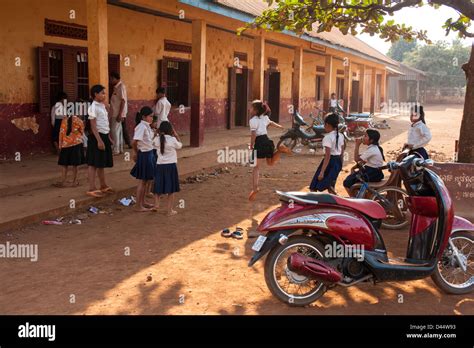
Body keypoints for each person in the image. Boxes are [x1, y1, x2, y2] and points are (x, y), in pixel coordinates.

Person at [248, 100, 291, 201]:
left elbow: (253, 134)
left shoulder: (253, 120)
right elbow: (271, 123)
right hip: (267, 141)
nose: (249, 109)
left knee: (256, 167)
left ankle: (255, 188)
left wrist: (251, 145)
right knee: (270, 162)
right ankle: (280, 150)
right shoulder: (265, 118)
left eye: (251, 108)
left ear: (256, 110)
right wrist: (279, 126)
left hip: (259, 142)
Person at [86, 85, 114, 198]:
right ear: (95, 94)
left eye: (104, 93)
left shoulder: (102, 106)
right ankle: (91, 188)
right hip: (96, 137)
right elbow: (93, 125)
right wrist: (99, 140)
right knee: (93, 163)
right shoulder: (92, 107)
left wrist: (108, 137)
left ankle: (103, 185)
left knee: (100, 163)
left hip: (104, 135)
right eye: (102, 93)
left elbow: (105, 121)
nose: (104, 95)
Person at [309, 113, 345, 193]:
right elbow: (342, 152)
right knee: (331, 186)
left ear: (327, 124)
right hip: (338, 162)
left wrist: (322, 172)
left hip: (329, 162)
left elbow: (327, 156)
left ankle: (315, 204)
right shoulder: (341, 135)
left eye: (324, 124)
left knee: (314, 186)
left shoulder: (327, 137)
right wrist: (341, 165)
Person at [152, 121, 182, 216]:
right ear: (171, 130)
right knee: (171, 189)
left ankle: (156, 205)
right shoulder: (172, 140)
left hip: (160, 165)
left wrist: (155, 133)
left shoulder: (157, 139)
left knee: (158, 186)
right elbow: (180, 145)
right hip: (171, 166)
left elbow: (151, 142)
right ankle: (169, 211)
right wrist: (176, 135)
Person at [343, 129, 385, 196]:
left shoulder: (372, 149)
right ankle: (357, 196)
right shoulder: (373, 148)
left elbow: (356, 159)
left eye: (365, 136)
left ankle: (354, 200)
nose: (363, 137)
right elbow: (361, 159)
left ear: (371, 140)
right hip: (373, 172)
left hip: (372, 173)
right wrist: (354, 168)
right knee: (352, 178)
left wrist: (357, 145)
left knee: (347, 182)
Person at [130, 106, 156, 212]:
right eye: (150, 116)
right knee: (142, 181)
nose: (152, 118)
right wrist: (135, 152)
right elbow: (134, 142)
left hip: (148, 154)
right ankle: (138, 205)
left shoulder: (147, 126)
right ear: (144, 117)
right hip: (144, 154)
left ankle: (142, 202)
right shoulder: (141, 127)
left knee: (145, 180)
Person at [55, 111, 85, 187]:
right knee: (75, 164)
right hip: (76, 144)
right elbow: (82, 132)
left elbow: (60, 133)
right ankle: (74, 182)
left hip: (65, 144)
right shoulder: (79, 121)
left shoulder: (64, 120)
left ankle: (63, 181)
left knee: (64, 164)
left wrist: (60, 146)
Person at [109, 72, 128, 155]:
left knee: (114, 131)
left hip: (117, 113)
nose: (110, 80)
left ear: (116, 79)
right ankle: (119, 148)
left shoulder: (121, 87)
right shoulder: (116, 88)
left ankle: (116, 149)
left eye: (111, 79)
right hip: (115, 112)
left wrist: (120, 114)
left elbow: (123, 101)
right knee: (118, 131)